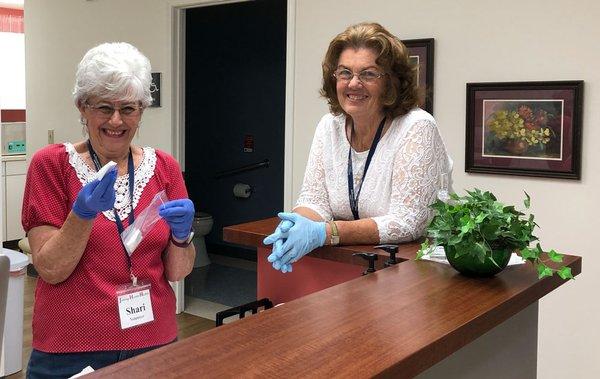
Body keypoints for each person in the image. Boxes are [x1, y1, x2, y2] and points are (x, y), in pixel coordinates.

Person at [22, 42, 196, 378]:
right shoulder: (52, 165)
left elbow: (177, 272)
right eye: (104, 107)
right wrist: (82, 215)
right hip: (70, 350)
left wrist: (182, 237)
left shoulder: (164, 168)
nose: (116, 120)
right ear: (82, 107)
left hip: (153, 340)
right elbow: (50, 268)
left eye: (129, 108)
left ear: (142, 111)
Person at [264, 22, 452, 272]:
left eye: (368, 74)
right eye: (344, 73)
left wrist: (326, 232)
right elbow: (314, 200)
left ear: (391, 82)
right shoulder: (329, 126)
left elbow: (407, 223)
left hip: (416, 272)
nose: (353, 83)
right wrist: (296, 224)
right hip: (354, 266)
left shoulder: (416, 127)